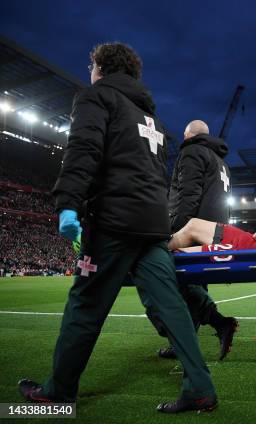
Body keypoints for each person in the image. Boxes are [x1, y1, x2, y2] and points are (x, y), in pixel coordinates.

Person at [17, 42, 218, 414]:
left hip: (113, 222)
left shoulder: (97, 97)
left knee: (85, 305)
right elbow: (155, 175)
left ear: (100, 68)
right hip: (151, 225)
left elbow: (83, 150)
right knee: (171, 306)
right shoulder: (152, 119)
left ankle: (58, 393)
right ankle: (201, 389)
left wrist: (67, 206)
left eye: (90, 65)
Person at [152, 119, 238, 361]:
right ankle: (187, 342)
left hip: (193, 231)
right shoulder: (221, 162)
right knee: (195, 286)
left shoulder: (191, 152)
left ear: (187, 136)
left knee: (175, 285)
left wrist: (175, 231)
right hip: (214, 233)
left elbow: (187, 196)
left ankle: (212, 328)